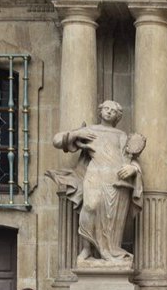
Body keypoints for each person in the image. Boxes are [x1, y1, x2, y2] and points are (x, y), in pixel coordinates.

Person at [49, 100, 144, 263]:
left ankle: (110, 251)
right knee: (90, 206)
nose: (109, 112)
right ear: (100, 111)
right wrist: (76, 134)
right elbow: (57, 141)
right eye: (106, 108)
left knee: (111, 219)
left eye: (113, 111)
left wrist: (134, 169)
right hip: (95, 174)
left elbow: (127, 158)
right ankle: (87, 249)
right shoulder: (89, 130)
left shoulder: (121, 135)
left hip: (116, 181)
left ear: (117, 116)